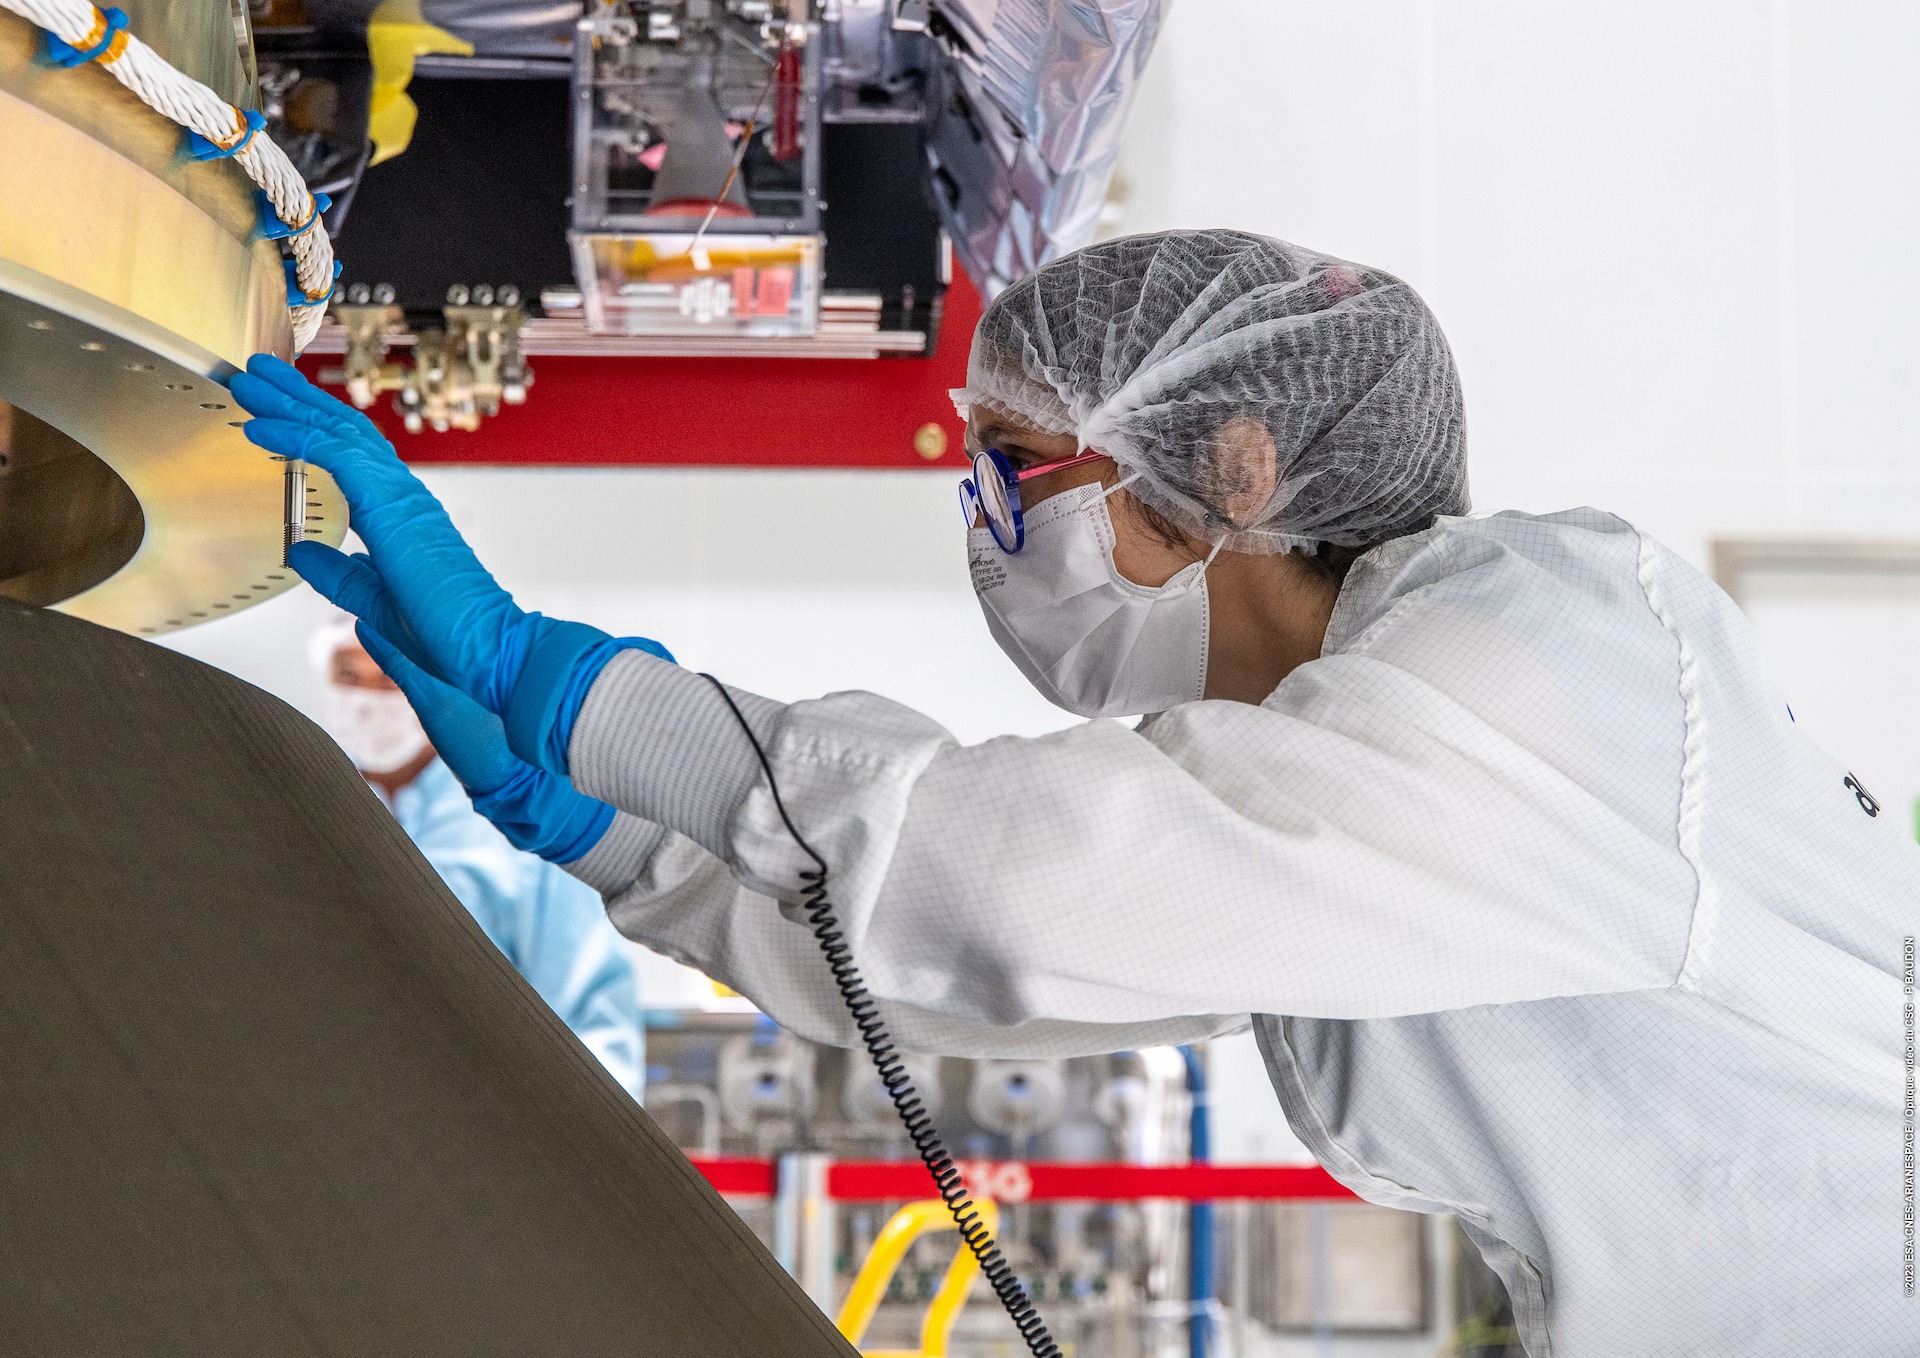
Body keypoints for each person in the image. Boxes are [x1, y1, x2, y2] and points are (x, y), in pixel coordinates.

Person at [235, 231, 1914, 1357]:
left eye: (1014, 472)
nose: (987, 528)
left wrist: (559, 678)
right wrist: (608, 831)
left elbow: (1007, 887)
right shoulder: (1336, 786)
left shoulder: (1529, 650)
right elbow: (950, 966)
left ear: (1231, 470)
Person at [313, 616, 647, 1100]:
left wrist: (595, 1135)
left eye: (387, 675)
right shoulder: (309, 805)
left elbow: (589, 1007)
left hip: (488, 1116)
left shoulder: (518, 813)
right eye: (349, 674)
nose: (368, 698)